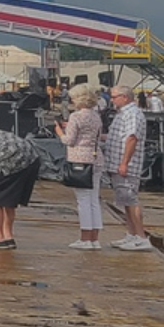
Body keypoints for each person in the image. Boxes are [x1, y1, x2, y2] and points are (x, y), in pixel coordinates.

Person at [54, 83, 104, 249]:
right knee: (94, 199)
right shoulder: (95, 116)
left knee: (83, 200)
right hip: (95, 158)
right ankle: (95, 239)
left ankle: (85, 239)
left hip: (80, 160)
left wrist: (60, 132)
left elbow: (69, 140)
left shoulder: (76, 116)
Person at [103, 85, 150, 251]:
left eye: (114, 97)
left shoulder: (132, 114)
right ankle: (132, 234)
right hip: (117, 162)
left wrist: (124, 163)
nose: (112, 100)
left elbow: (132, 138)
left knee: (131, 200)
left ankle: (141, 237)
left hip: (126, 164)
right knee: (125, 200)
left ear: (125, 97)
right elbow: (119, 136)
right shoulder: (123, 113)